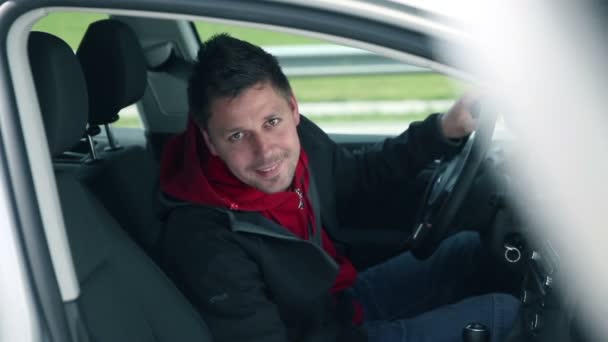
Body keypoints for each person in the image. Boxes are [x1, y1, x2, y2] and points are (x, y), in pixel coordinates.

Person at [159, 33, 520, 342]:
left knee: (469, 249)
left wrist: (444, 130)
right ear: (209, 141)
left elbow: (357, 175)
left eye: (272, 122)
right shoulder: (206, 241)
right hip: (327, 334)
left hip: (341, 303)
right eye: (237, 135)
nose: (265, 150)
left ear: (293, 109)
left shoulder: (301, 142)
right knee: (507, 314)